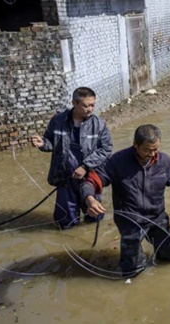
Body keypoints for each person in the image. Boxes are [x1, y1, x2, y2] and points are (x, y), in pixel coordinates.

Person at [81, 124, 170, 278]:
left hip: (157, 217)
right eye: (148, 150)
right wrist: (90, 199)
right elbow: (91, 181)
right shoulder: (118, 161)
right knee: (131, 269)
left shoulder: (164, 161)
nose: (152, 154)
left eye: (156, 149)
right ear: (135, 145)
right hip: (130, 220)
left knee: (168, 256)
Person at [31, 87, 112, 229]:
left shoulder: (98, 124)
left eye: (93, 105)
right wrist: (42, 143)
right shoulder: (58, 120)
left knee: (94, 216)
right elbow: (50, 141)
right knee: (65, 221)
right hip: (65, 177)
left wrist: (85, 166)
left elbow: (106, 149)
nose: (90, 109)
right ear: (74, 103)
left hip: (89, 177)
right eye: (86, 105)